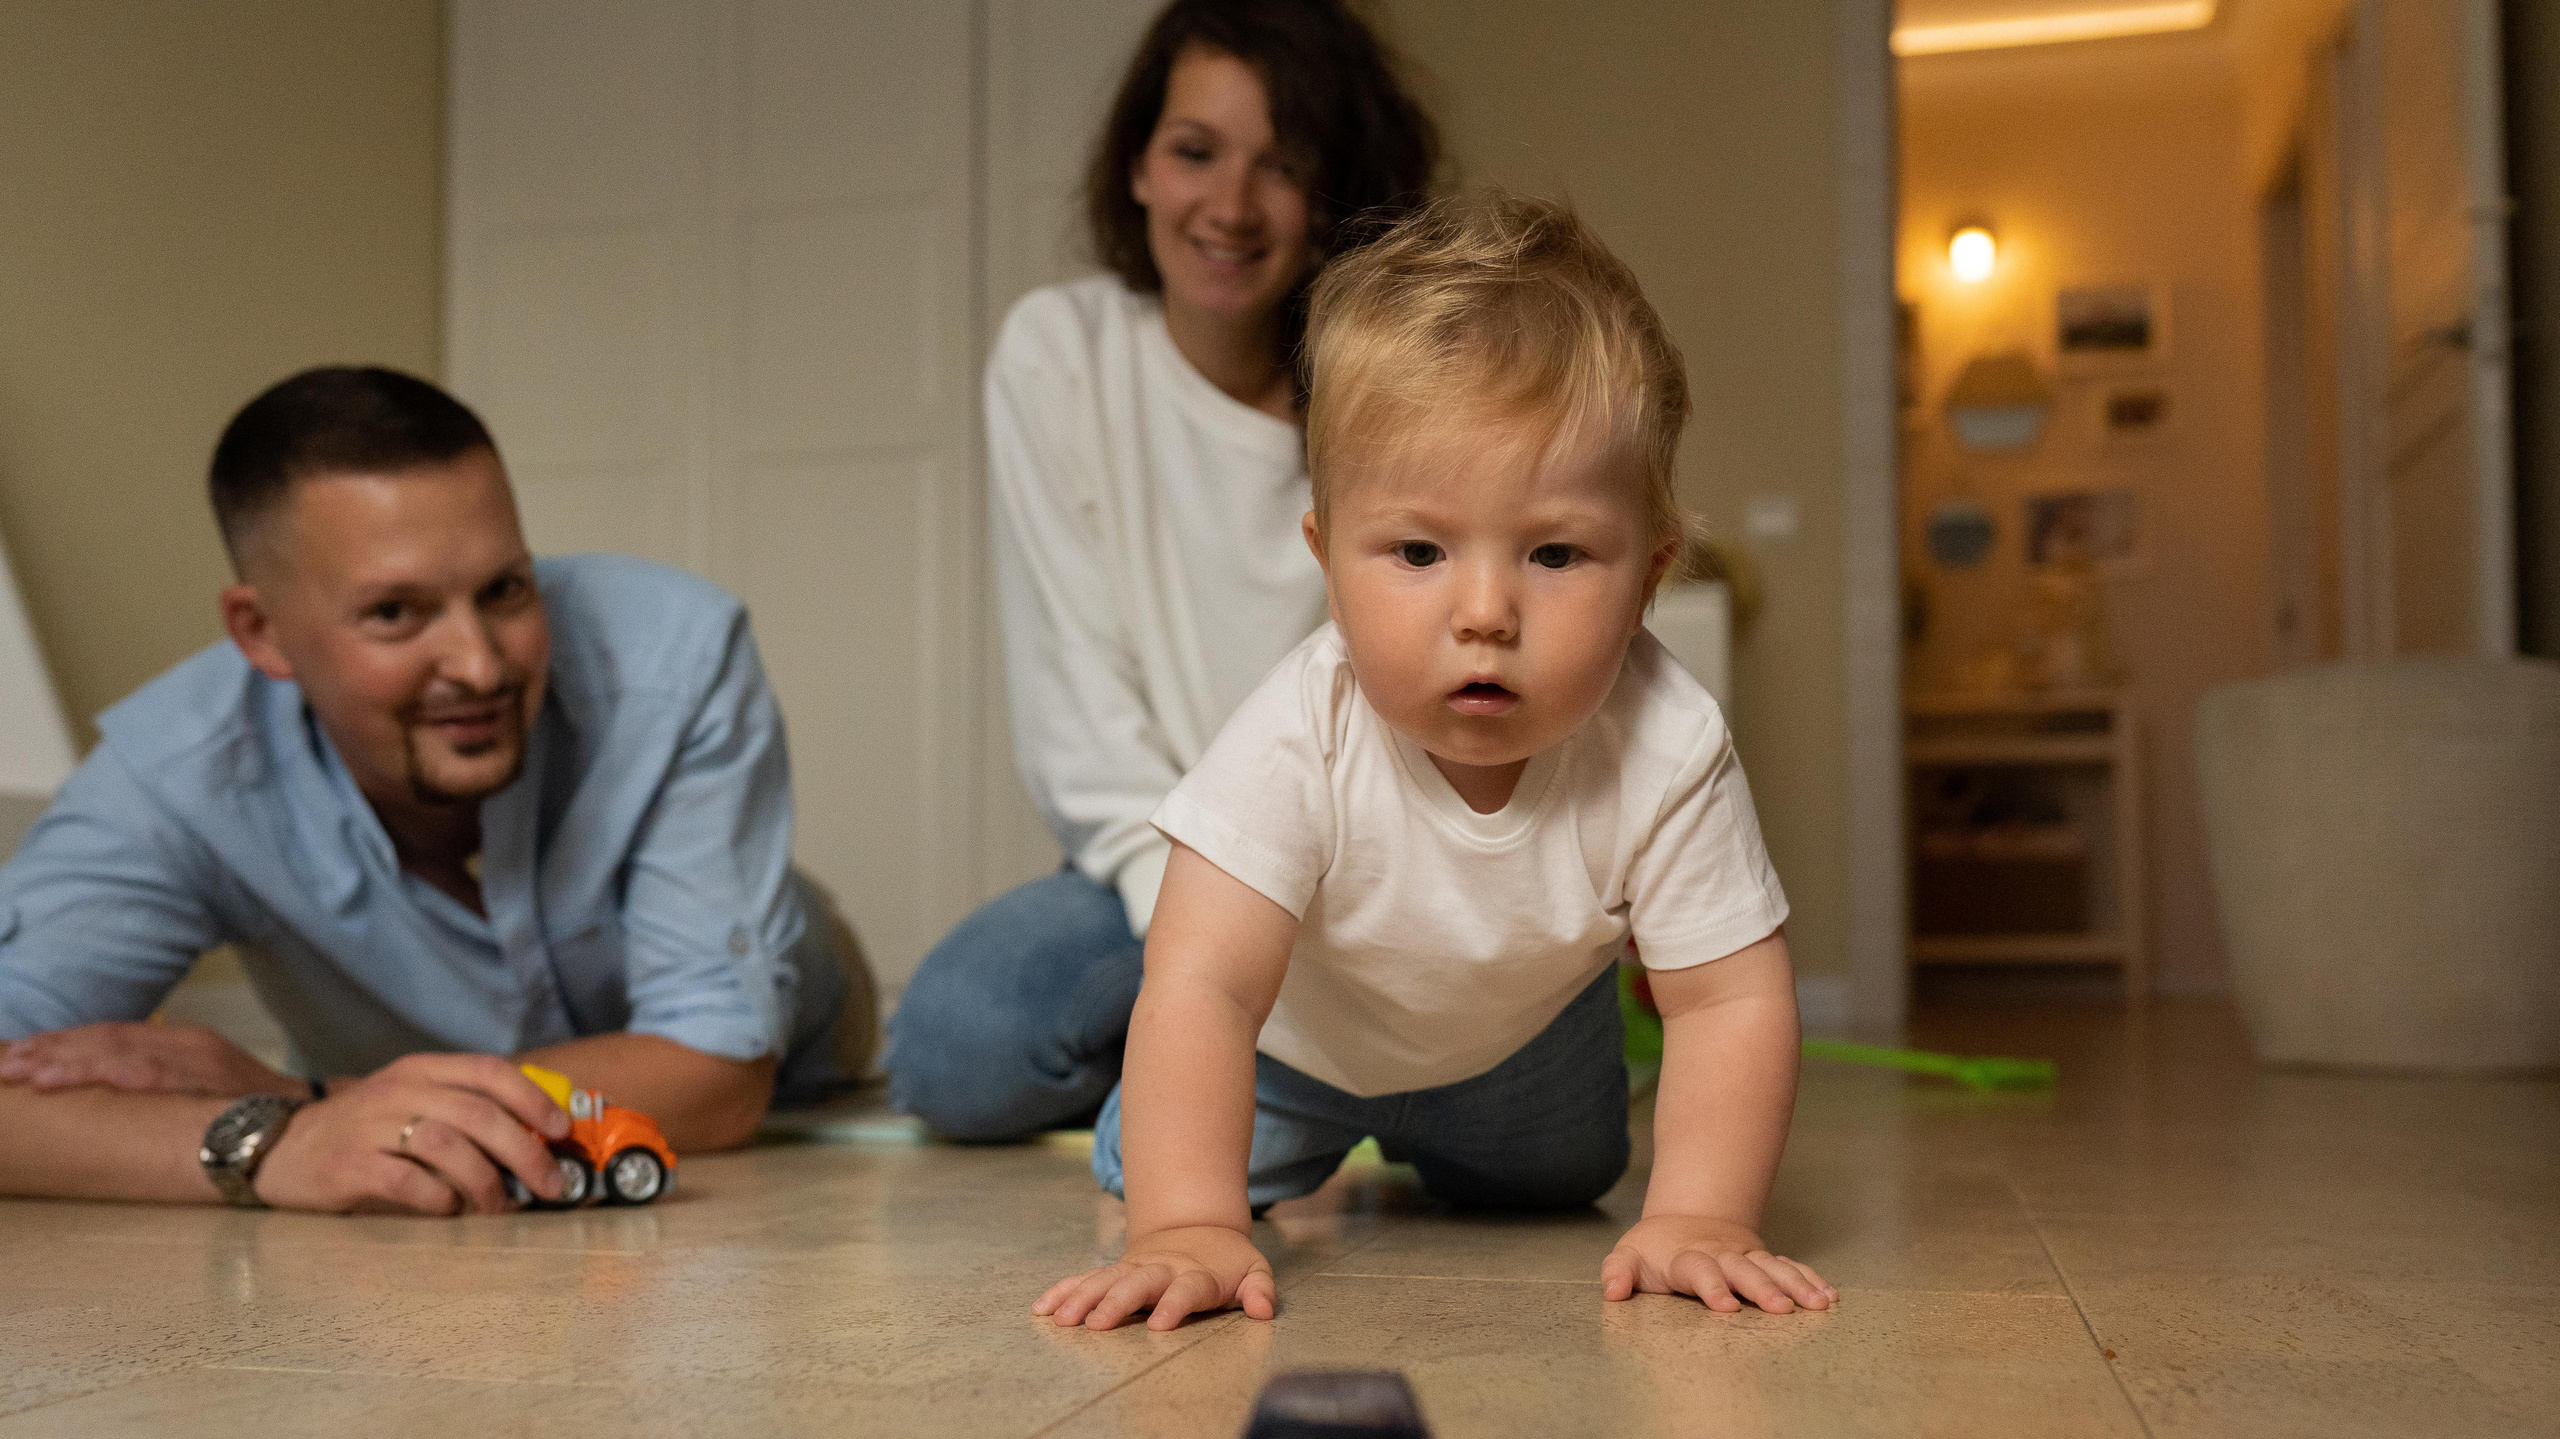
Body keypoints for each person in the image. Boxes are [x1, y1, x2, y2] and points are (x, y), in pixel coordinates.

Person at [1035, 195, 1838, 1331]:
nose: (1483, 613)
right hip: (1292, 1049)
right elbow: (1208, 985)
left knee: (1565, 1183)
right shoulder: (1298, 728)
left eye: (1555, 553)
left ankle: (1485, 1134)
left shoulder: (1671, 738)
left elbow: (1727, 998)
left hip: (1521, 1054)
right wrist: (1185, 1224)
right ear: (1326, 558)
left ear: (1650, 573)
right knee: (1165, 1157)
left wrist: (1702, 1213)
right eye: (1416, 551)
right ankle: (1155, 1134)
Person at [0, 366, 874, 1214]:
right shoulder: (177, 777)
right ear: (261, 631)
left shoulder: (676, 658)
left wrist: (297, 1096)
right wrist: (274, 1145)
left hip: (806, 1037)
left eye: (504, 589)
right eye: (394, 613)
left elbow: (715, 1081)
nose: (479, 663)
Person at [883, 0, 1437, 1138]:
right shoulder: (1061, 353)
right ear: (1137, 163)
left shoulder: (1389, 387)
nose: (1229, 208)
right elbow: (1079, 717)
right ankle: (1248, 1059)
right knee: (952, 1045)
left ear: (1335, 194)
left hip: (1379, 874)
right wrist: (1206, 953)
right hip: (1154, 863)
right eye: (1194, 152)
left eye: (1280, 168)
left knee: (1544, 1155)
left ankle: (1281, 1068)